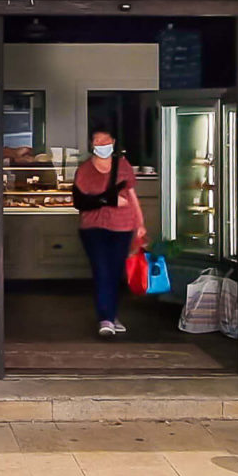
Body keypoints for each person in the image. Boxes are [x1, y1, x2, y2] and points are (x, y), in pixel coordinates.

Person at [73, 129, 147, 337]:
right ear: (91, 144)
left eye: (105, 140)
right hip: (93, 227)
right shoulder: (85, 170)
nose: (102, 144)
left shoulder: (123, 166)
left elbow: (132, 196)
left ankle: (111, 315)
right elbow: (81, 201)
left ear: (113, 142)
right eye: (97, 140)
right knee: (102, 269)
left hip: (123, 225)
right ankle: (105, 318)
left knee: (114, 272)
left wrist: (140, 223)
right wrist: (110, 200)